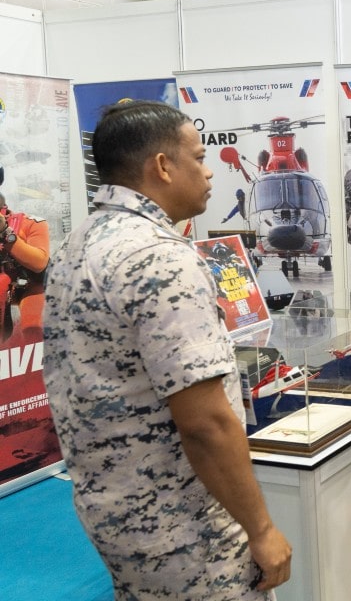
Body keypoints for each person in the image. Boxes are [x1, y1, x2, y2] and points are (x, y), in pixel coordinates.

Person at [41, 101, 291, 599]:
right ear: (162, 166)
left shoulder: (76, 244)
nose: (208, 172)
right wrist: (261, 528)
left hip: (115, 512)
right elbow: (204, 423)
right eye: (198, 158)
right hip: (186, 527)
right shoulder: (159, 257)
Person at [0, 191, 49, 344]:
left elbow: (39, 263)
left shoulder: (30, 223)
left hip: (28, 287)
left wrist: (5, 232)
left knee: (33, 331)